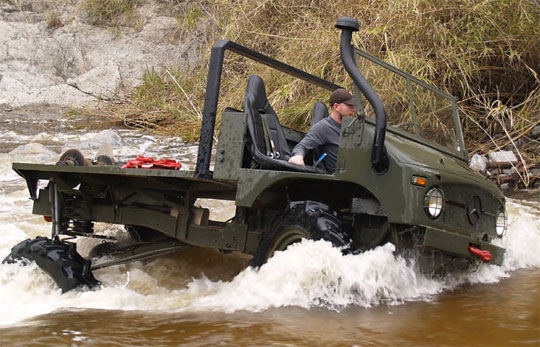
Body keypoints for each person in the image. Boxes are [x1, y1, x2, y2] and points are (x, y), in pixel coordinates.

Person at [288, 88, 357, 173]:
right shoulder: (324, 127)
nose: (354, 109)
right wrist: (298, 157)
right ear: (336, 107)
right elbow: (302, 146)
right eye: (349, 106)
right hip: (339, 181)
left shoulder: (351, 127)